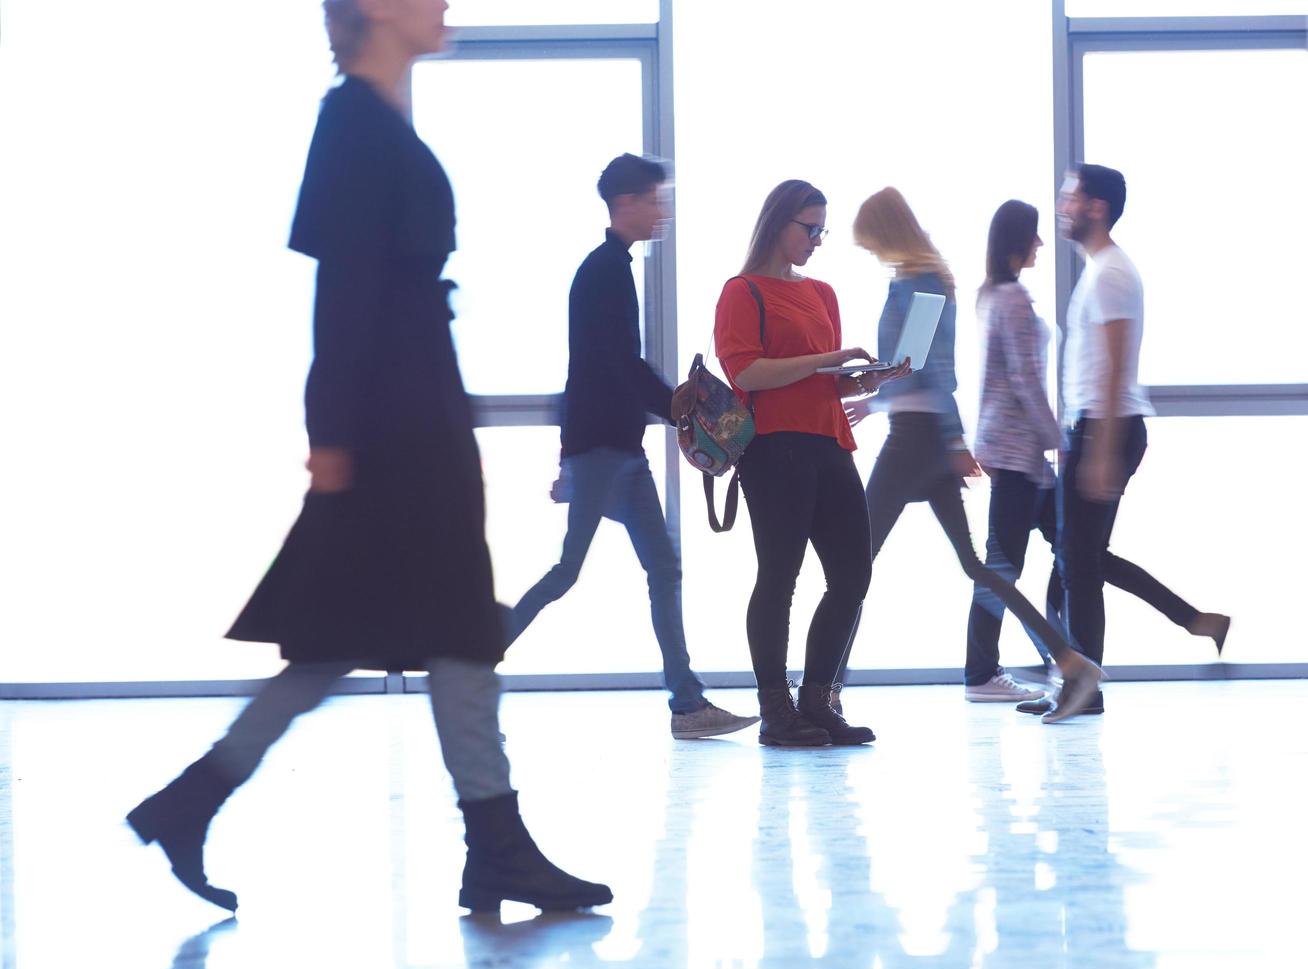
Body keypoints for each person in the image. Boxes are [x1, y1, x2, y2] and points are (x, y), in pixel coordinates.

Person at [125, 0, 611, 915]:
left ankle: (189, 804)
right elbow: (341, 295)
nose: (446, 5)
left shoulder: (373, 121)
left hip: (410, 417)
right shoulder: (350, 122)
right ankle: (495, 850)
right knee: (446, 631)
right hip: (396, 433)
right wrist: (332, 440)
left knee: (353, 639)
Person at [505, 153, 757, 741]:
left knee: (662, 569)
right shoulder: (603, 271)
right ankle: (474, 662)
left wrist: (673, 407)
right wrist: (678, 407)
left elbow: (604, 367)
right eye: (654, 198)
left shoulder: (612, 268)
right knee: (568, 572)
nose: (662, 208)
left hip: (617, 450)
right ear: (625, 204)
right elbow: (607, 366)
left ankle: (688, 706)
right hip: (603, 453)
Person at [836, 188, 1102, 722]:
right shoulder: (924, 279)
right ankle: (1070, 659)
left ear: (887, 233)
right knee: (976, 565)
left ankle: (823, 690)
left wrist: (937, 433)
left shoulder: (922, 283)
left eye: (871, 244)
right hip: (925, 435)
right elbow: (914, 370)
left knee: (853, 564)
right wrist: (876, 399)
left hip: (915, 439)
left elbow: (926, 371)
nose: (871, 253)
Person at [965, 200, 1230, 710]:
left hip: (1031, 452)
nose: (1044, 241)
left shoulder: (1001, 294)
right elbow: (1018, 382)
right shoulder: (1013, 299)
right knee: (1039, 563)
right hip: (1024, 453)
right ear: (1018, 242)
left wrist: (1073, 445)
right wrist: (1058, 439)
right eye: (1035, 235)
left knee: (1069, 561)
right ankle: (1005, 672)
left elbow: (1018, 383)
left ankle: (1068, 672)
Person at [714, 179, 910, 747]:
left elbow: (819, 382)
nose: (818, 240)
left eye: (823, 229)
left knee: (853, 573)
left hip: (829, 441)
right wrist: (829, 358)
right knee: (780, 577)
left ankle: (818, 700)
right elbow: (747, 374)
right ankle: (776, 712)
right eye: (811, 228)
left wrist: (865, 381)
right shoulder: (742, 291)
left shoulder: (821, 292)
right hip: (774, 449)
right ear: (778, 223)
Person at [1013, 164, 1170, 719]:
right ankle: (1072, 678)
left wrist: (1100, 450)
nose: (1062, 206)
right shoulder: (1101, 271)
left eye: (1070, 198)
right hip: (1092, 428)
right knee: (1072, 559)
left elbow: (1115, 366)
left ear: (1096, 207)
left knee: (1078, 564)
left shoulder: (1112, 274)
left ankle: (1083, 687)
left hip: (1109, 428)